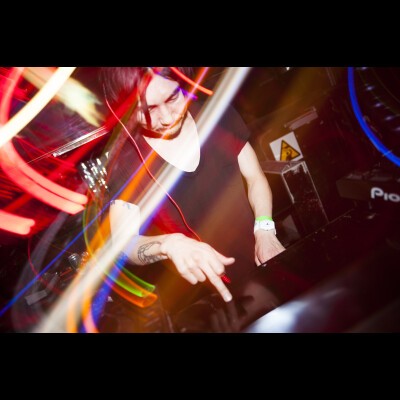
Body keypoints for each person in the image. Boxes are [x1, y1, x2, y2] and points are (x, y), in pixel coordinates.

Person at [99, 67, 285, 314]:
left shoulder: (216, 114)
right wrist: (168, 244)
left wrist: (265, 230)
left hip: (259, 259)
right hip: (200, 299)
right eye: (148, 110)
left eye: (172, 98)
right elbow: (124, 243)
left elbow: (254, 177)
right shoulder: (124, 160)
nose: (167, 117)